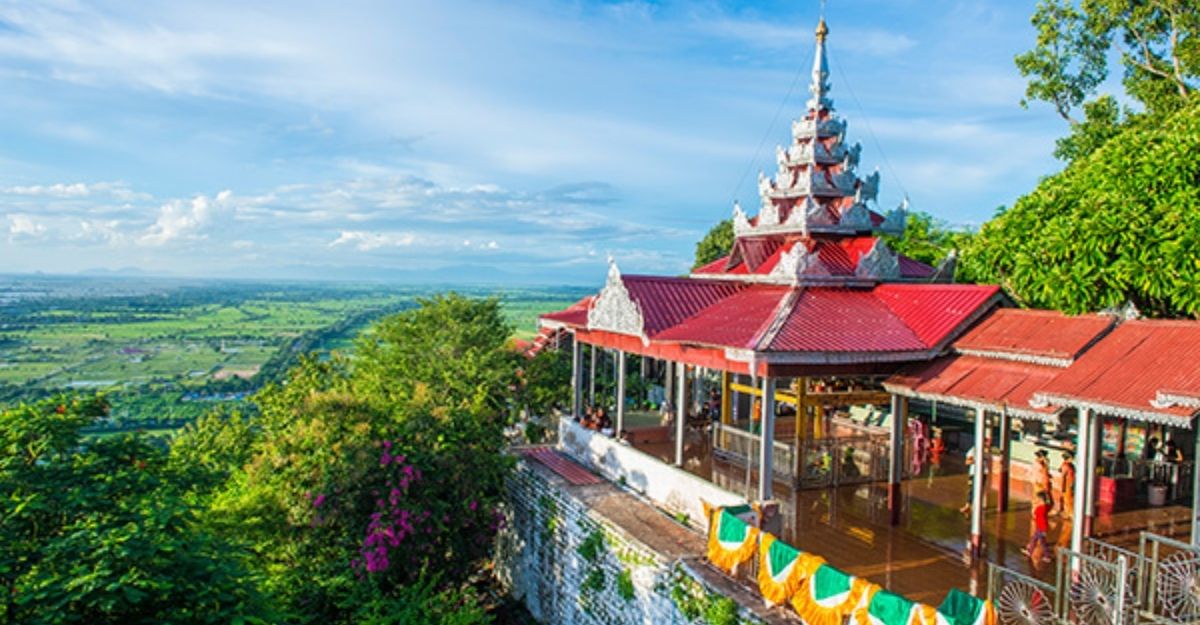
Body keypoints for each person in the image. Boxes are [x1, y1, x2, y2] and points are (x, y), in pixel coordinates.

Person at [1023, 491, 1052, 563]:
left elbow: (1035, 514)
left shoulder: (1040, 508)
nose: (1036, 500)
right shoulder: (1046, 507)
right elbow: (1050, 505)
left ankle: (1047, 556)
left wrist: (1036, 507)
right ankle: (1030, 551)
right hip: (1042, 527)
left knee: (1040, 541)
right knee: (1036, 539)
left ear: (1040, 499)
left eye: (1037, 499)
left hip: (1041, 527)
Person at [1058, 450, 1076, 518]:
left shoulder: (1070, 465)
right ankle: (1070, 513)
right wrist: (1063, 488)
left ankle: (1069, 512)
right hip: (1068, 485)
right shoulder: (1065, 466)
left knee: (1071, 499)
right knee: (1068, 500)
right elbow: (1063, 477)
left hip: (1071, 484)